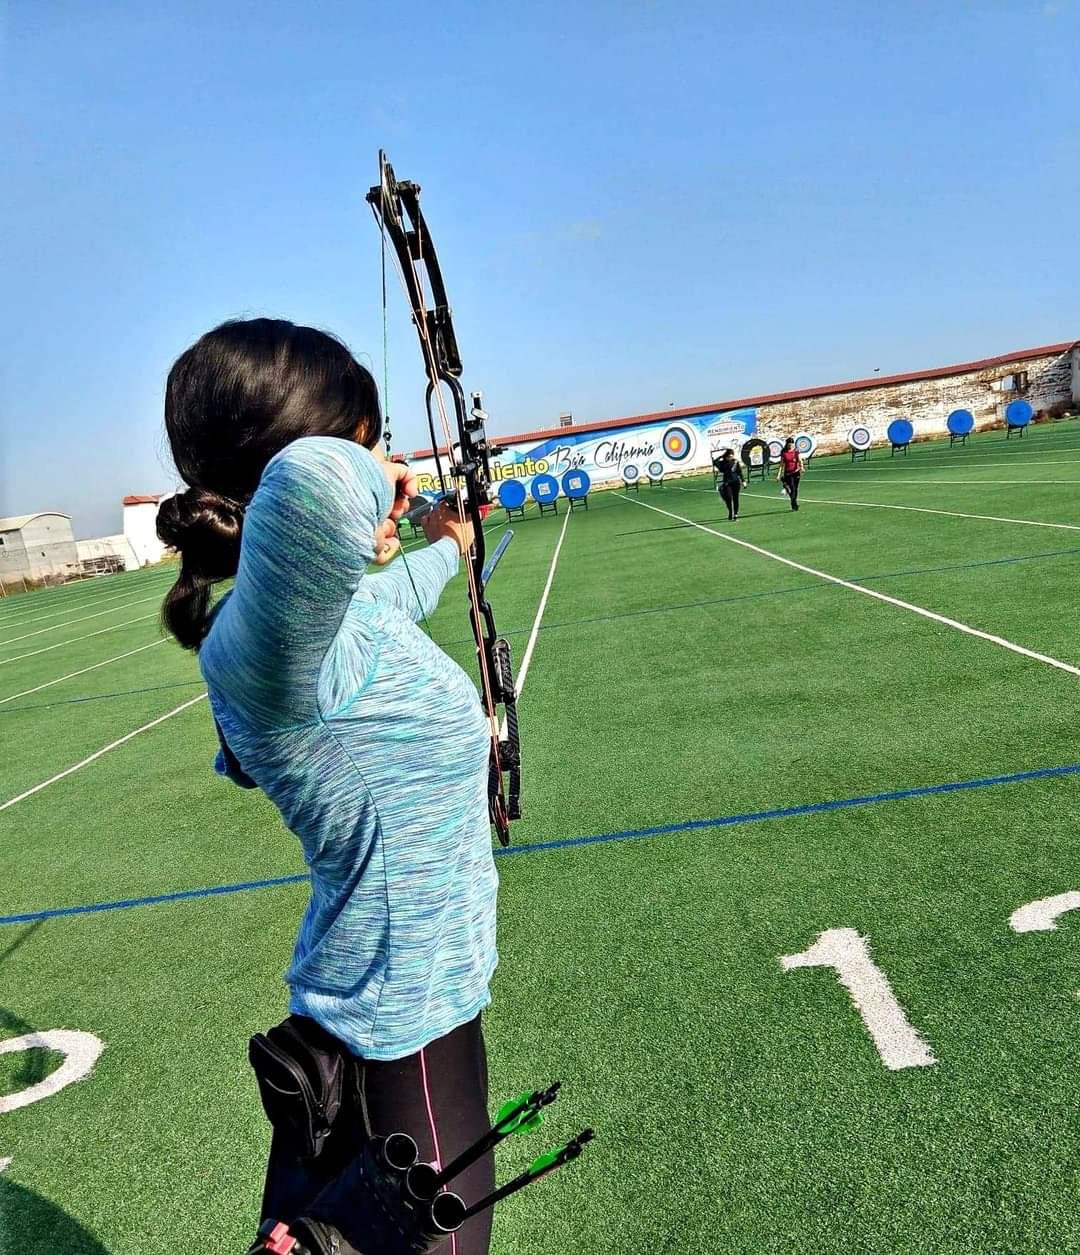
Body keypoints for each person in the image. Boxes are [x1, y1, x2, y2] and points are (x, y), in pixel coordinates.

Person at [156, 318, 497, 1254]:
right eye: (369, 443)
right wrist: (360, 463)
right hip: (395, 1035)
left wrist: (448, 542)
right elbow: (312, 493)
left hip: (399, 1006)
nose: (394, 471)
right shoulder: (263, 650)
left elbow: (392, 589)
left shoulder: (325, 624)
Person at [715, 448, 745, 520]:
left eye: (732, 456)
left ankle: (735, 514)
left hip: (736, 482)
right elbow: (715, 461)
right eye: (729, 456)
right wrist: (721, 456)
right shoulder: (723, 463)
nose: (731, 457)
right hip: (727, 483)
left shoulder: (735, 462)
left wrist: (743, 481)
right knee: (728, 498)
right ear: (726, 456)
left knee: (735, 498)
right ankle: (730, 511)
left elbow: (739, 472)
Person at [778, 437, 804, 511]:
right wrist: (778, 474)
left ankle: (794, 503)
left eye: (792, 444)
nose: (790, 446)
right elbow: (781, 464)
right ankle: (794, 504)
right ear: (787, 444)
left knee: (795, 489)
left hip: (796, 472)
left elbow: (800, 460)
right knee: (792, 488)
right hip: (788, 473)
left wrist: (801, 467)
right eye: (789, 445)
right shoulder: (784, 452)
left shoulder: (796, 451)